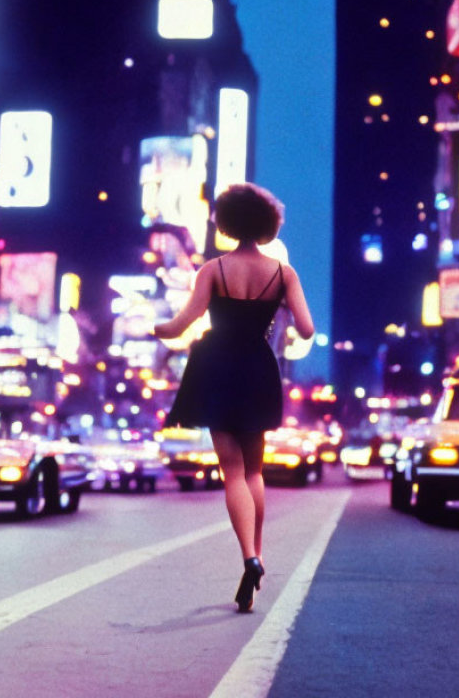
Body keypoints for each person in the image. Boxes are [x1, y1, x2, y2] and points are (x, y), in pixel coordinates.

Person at [153, 182, 314, 613]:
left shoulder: (212, 269)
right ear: (267, 225)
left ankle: (249, 556)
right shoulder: (283, 274)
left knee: (232, 471)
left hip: (217, 365)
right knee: (254, 471)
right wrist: (278, 313)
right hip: (258, 367)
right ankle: (257, 553)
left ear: (227, 222)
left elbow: (180, 324)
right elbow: (307, 329)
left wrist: (157, 330)